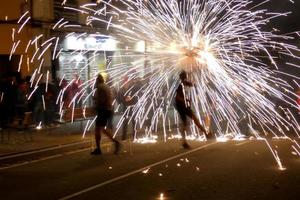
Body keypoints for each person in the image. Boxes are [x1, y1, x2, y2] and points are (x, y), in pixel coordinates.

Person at [174, 71, 210, 149]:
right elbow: (177, 97)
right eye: (186, 76)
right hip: (182, 107)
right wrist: (185, 101)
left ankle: (185, 141)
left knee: (190, 122)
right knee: (190, 121)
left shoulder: (184, 83)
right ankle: (205, 134)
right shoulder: (181, 86)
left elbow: (192, 84)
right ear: (184, 77)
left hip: (183, 106)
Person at [91, 73, 120, 155]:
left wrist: (96, 102)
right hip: (108, 110)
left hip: (103, 110)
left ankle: (101, 148)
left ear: (97, 80)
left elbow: (102, 100)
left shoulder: (100, 87)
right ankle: (113, 142)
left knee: (98, 129)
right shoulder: (106, 86)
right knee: (102, 129)